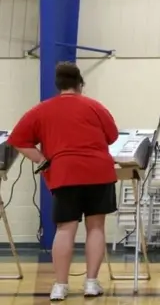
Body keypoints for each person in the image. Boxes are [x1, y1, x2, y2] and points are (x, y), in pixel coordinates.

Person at [8, 61, 119, 301]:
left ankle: (60, 286)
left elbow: (18, 139)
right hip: (98, 171)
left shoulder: (41, 110)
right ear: (80, 84)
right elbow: (112, 136)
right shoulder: (95, 106)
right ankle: (91, 283)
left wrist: (42, 160)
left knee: (65, 228)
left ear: (58, 85)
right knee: (96, 227)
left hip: (64, 173)